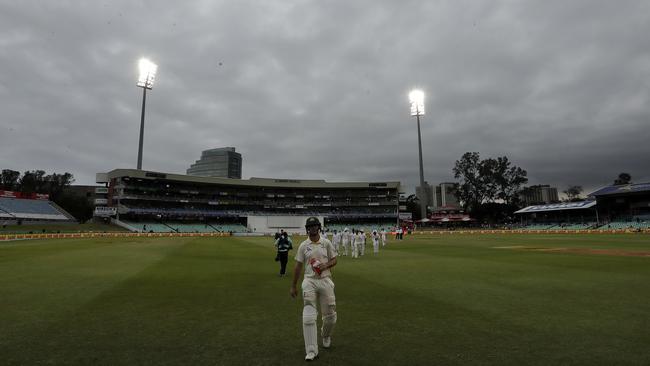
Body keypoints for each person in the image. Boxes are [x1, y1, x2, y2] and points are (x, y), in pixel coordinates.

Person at [290, 217, 338, 361]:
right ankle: (311, 351)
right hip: (309, 280)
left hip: (325, 280)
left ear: (318, 227)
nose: (312, 229)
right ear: (307, 229)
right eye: (309, 226)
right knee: (309, 314)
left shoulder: (326, 242)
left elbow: (335, 259)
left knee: (330, 316)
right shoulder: (304, 245)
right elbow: (298, 266)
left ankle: (326, 335)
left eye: (314, 226)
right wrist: (293, 285)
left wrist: (326, 265)